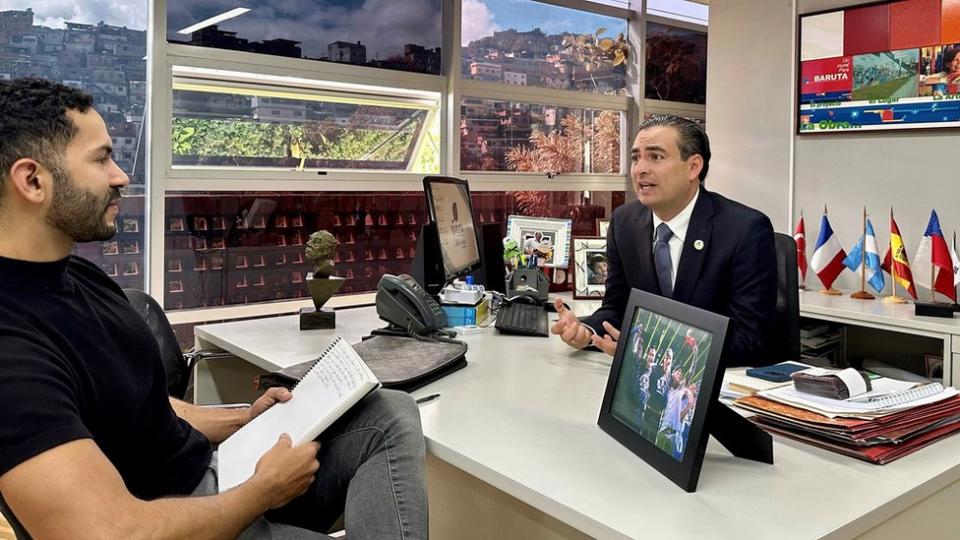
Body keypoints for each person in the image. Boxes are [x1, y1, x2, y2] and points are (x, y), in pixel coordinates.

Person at [0, 78, 428, 539]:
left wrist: (245, 419)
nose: (121, 175)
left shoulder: (80, 277)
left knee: (388, 411)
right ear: (32, 180)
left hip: (217, 474)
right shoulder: (11, 350)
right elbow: (108, 532)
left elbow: (141, 408)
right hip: (173, 523)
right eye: (102, 158)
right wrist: (262, 491)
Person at [551, 114, 777, 367]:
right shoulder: (625, 222)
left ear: (693, 167)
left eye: (655, 157)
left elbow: (750, 339)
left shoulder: (744, 229)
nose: (640, 169)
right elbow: (618, 307)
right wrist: (586, 331)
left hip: (719, 385)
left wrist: (649, 352)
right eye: (636, 158)